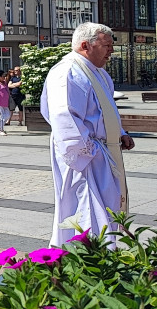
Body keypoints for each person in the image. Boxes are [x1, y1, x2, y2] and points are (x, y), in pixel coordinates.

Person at [43, 22, 134, 246]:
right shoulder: (66, 72)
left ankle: (104, 256)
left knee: (107, 207)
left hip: (103, 152)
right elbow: (64, 115)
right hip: (84, 157)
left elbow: (104, 109)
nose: (111, 51)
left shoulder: (99, 74)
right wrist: (87, 152)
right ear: (85, 45)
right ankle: (85, 262)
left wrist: (119, 133)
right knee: (87, 210)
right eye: (106, 45)